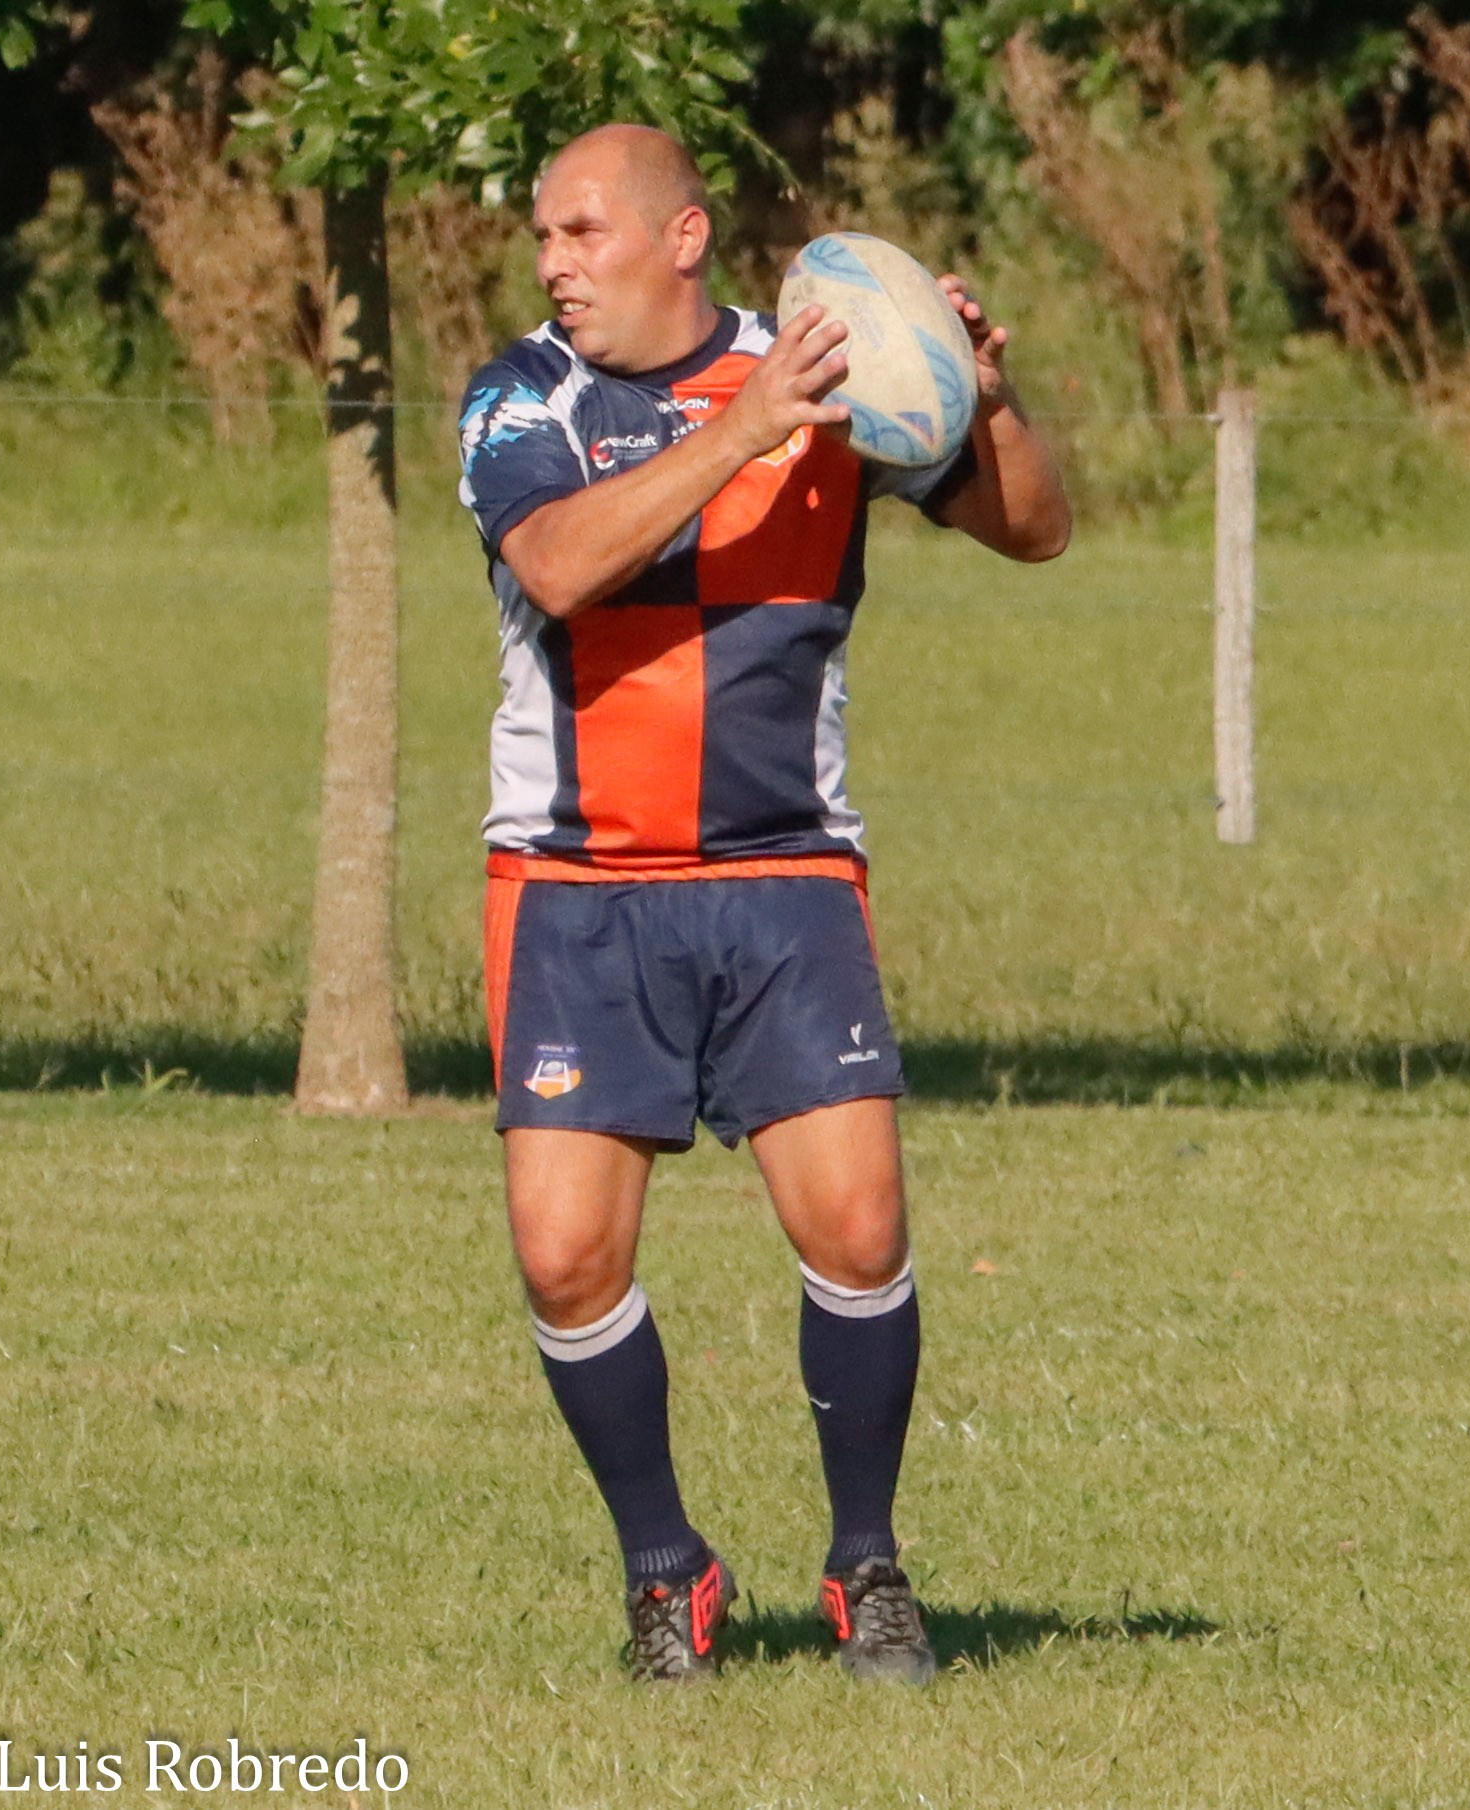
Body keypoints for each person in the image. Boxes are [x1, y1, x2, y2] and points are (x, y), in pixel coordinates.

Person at [458, 123, 1070, 1685]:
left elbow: (1033, 526)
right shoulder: (522, 394)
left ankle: (865, 1563)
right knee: (563, 1260)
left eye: (583, 232)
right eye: (543, 236)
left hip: (784, 868)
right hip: (575, 879)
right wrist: (741, 430)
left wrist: (977, 392)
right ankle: (668, 1565)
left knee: (859, 1225)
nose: (553, 264)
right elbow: (559, 564)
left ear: (682, 237)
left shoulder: (833, 367)